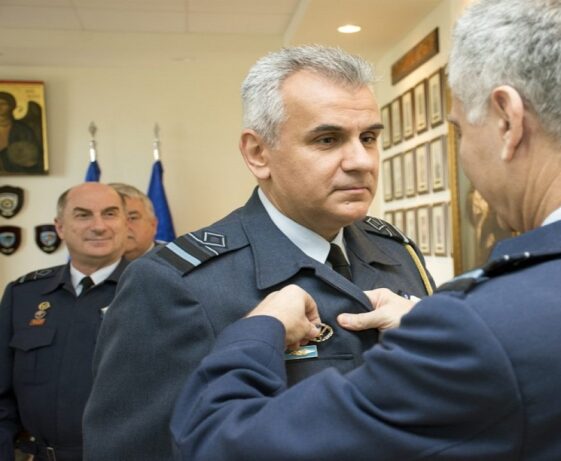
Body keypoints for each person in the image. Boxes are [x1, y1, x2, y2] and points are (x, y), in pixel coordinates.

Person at [170, 1, 561, 460]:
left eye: (460, 129)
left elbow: (219, 442)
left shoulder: (483, 324)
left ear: (507, 121)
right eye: (329, 139)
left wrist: (258, 332)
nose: (362, 161)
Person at [83, 45, 435, 461]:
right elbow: (133, 449)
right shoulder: (174, 284)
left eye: (369, 138)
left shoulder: (396, 251)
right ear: (258, 153)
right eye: (327, 139)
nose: (361, 161)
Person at [0, 183, 128, 461]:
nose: (99, 226)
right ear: (59, 227)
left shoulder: (155, 291)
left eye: (110, 214)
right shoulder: (24, 294)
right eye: (83, 215)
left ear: (125, 223)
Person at [109, 182, 159, 260]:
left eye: (132, 218)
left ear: (153, 225)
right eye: (112, 217)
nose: (122, 225)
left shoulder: (175, 262)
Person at [0, 91, 43, 174]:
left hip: (17, 171)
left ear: (12, 106)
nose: (0, 107)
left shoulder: (23, 129)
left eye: (3, 104)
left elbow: (33, 155)